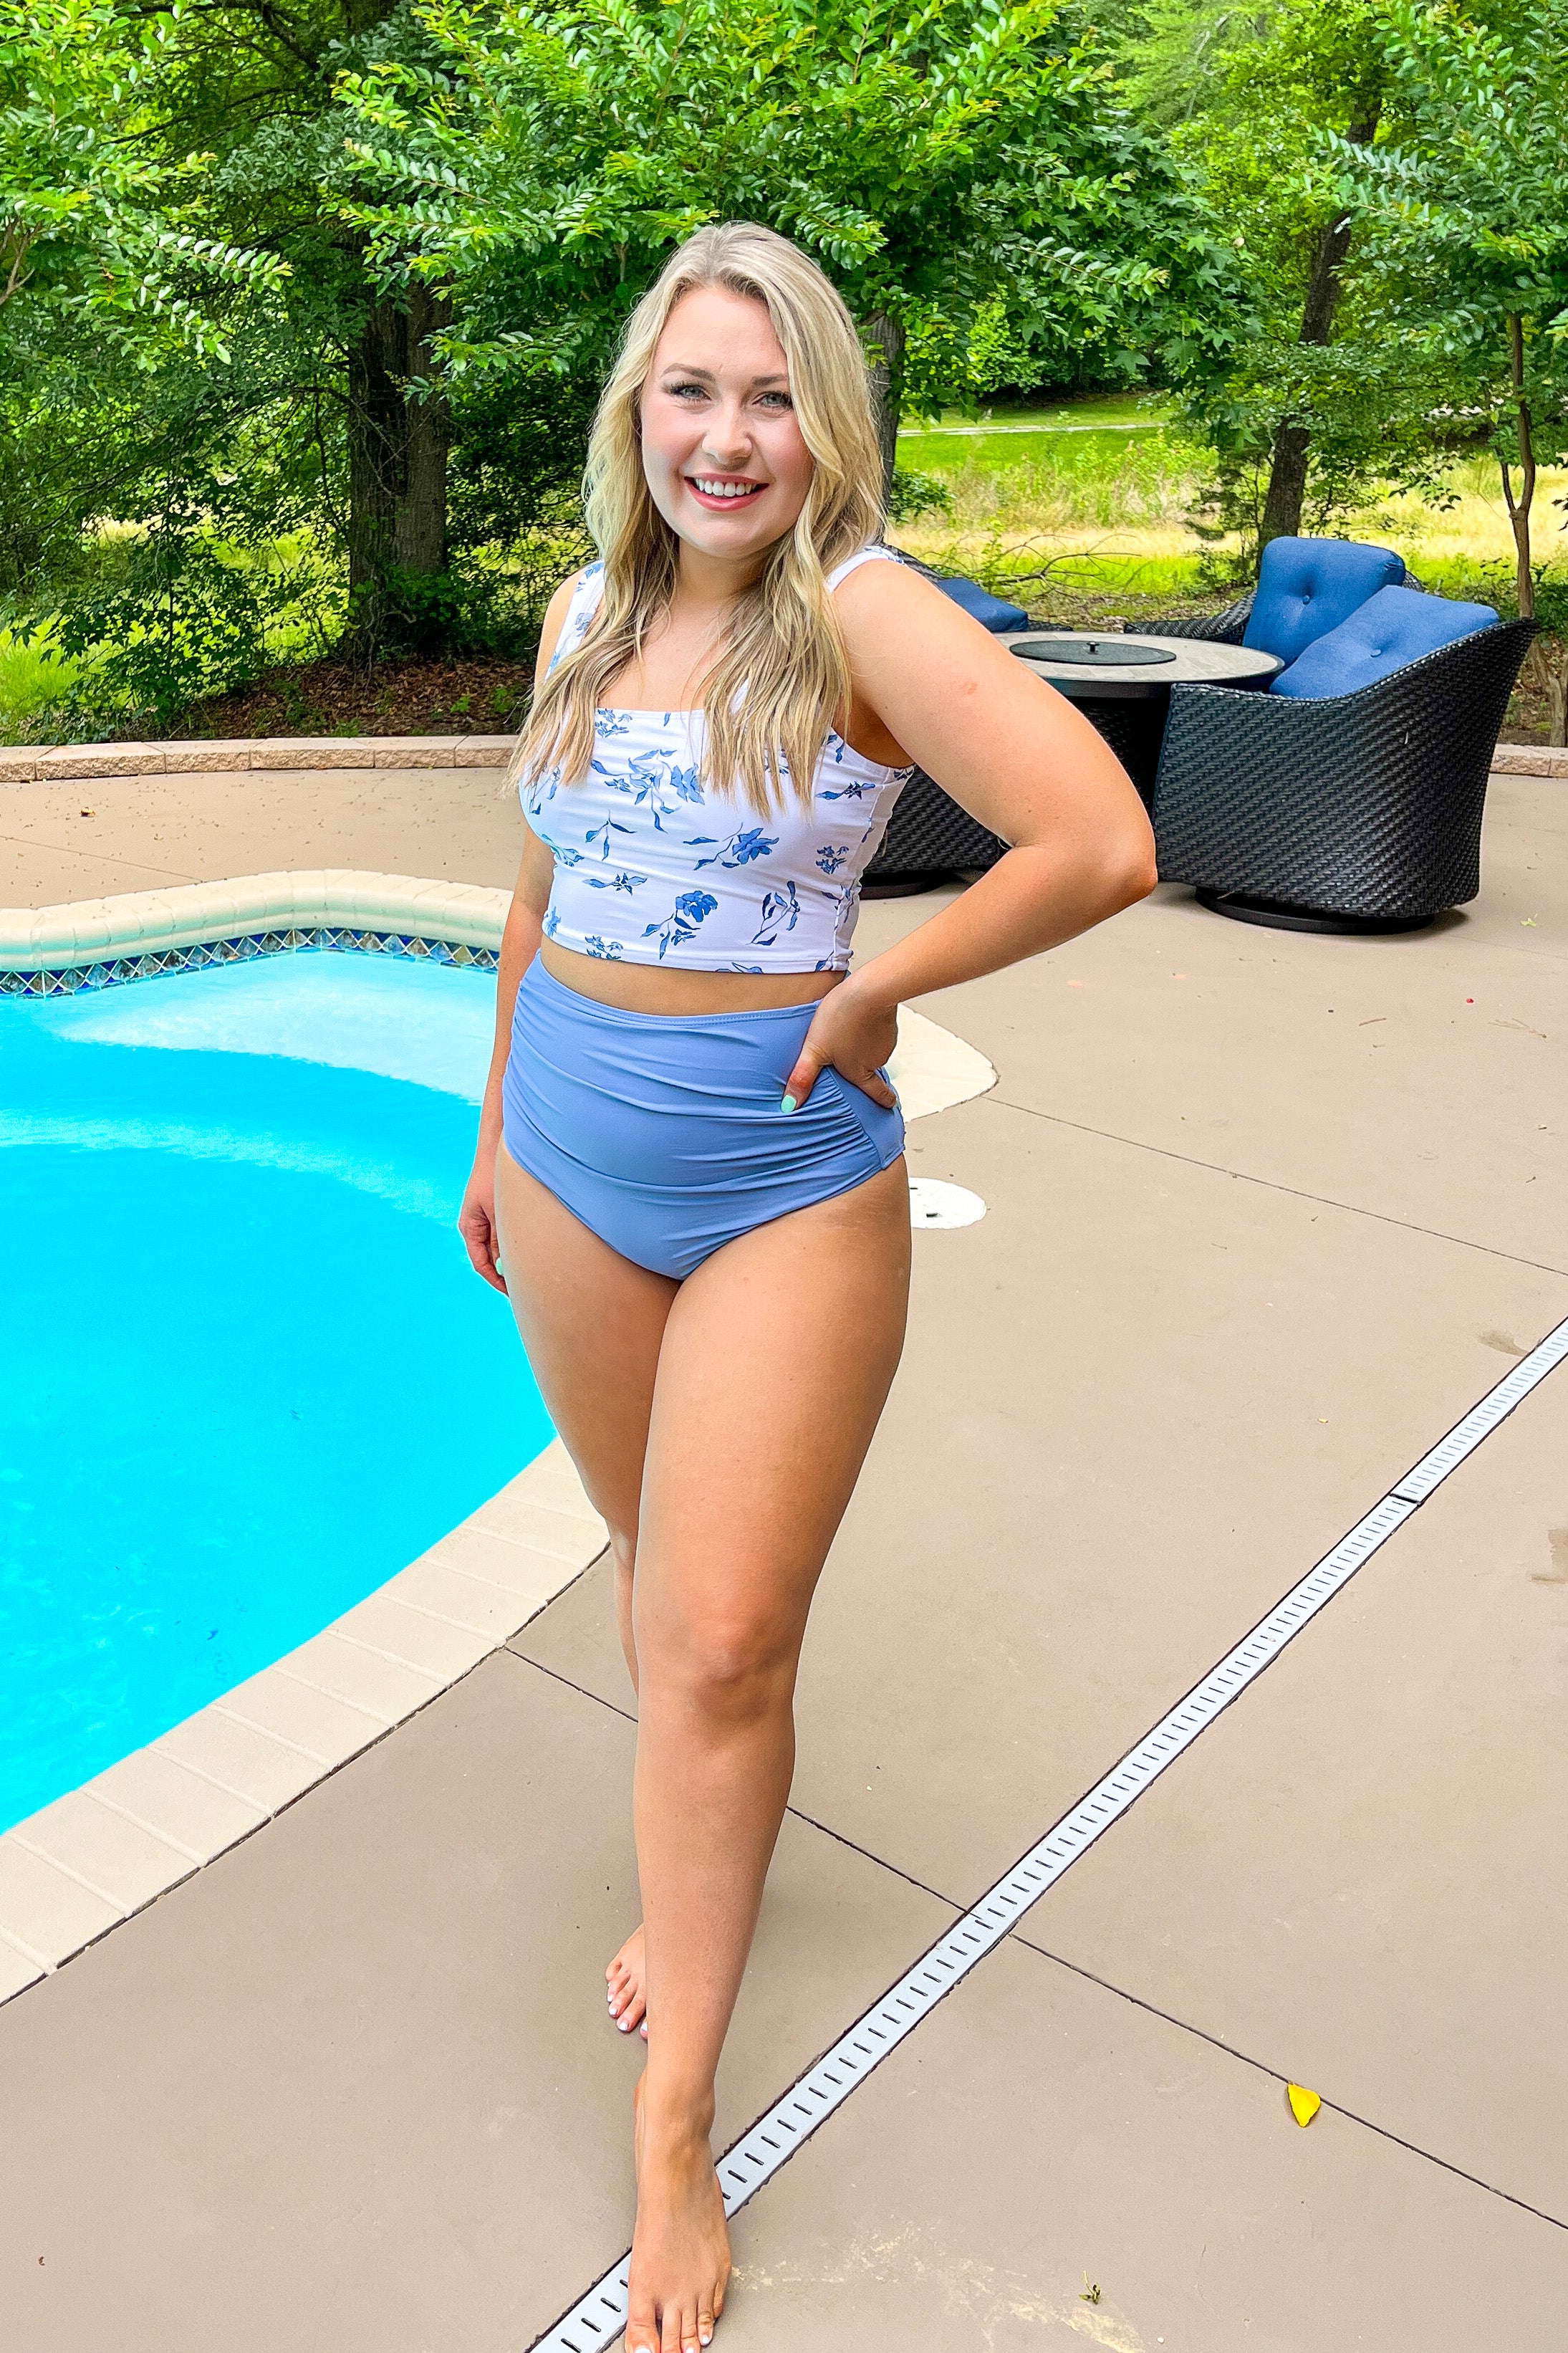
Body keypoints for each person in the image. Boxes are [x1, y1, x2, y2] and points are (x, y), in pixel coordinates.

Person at [458, 220, 1155, 2353]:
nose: (727, 434)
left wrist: (881, 983)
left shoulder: (855, 607)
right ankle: (690, 1893)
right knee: (650, 1565)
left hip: (780, 1180)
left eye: (771, 394)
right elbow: (540, 877)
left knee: (729, 1632)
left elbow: (1096, 837)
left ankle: (675, 2123)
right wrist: (491, 1130)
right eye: (691, 389)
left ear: (823, 417)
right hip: (568, 1154)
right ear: (637, 410)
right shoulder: (585, 605)